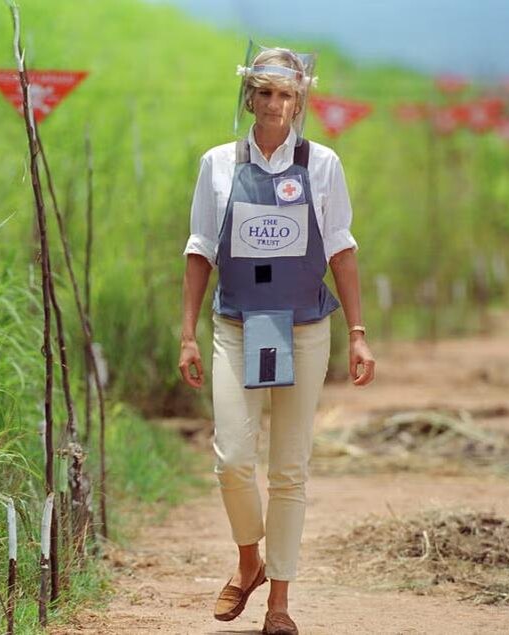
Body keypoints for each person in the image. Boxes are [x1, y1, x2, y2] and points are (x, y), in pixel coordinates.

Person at [178, 45, 375, 635]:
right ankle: (249, 561)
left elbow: (341, 248)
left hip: (304, 326)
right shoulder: (217, 163)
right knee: (233, 458)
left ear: (300, 100)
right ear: (249, 97)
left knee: (289, 468)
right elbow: (199, 250)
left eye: (285, 94)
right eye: (263, 92)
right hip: (237, 325)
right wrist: (187, 334)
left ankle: (280, 604)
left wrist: (358, 334)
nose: (274, 104)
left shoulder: (322, 165)